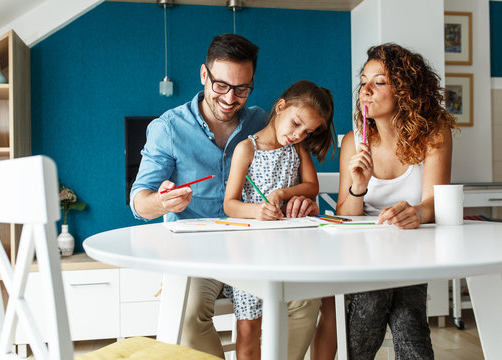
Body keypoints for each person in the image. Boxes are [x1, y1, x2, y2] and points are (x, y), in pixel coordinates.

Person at [130, 33, 321, 359]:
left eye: (242, 89)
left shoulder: (263, 123)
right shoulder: (169, 128)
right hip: (198, 253)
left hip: (258, 250)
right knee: (189, 316)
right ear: (204, 75)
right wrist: (162, 201)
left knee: (307, 301)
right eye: (221, 85)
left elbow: (292, 176)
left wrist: (301, 201)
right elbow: (139, 202)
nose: (231, 98)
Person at [312, 43, 457, 360]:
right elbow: (346, 217)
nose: (366, 90)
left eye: (379, 82)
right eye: (363, 81)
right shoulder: (354, 141)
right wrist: (358, 189)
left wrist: (416, 212)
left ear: (405, 90)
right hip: (365, 254)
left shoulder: (434, 135)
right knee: (384, 308)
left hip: (412, 248)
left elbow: (435, 202)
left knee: (402, 319)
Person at [222, 80, 336, 359]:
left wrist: (284, 192)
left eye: (307, 131)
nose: (298, 135)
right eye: (296, 124)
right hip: (248, 255)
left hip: (289, 252)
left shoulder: (297, 149)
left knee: (303, 307)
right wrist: (257, 211)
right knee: (248, 327)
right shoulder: (246, 150)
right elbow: (230, 204)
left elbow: (311, 186)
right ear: (280, 106)